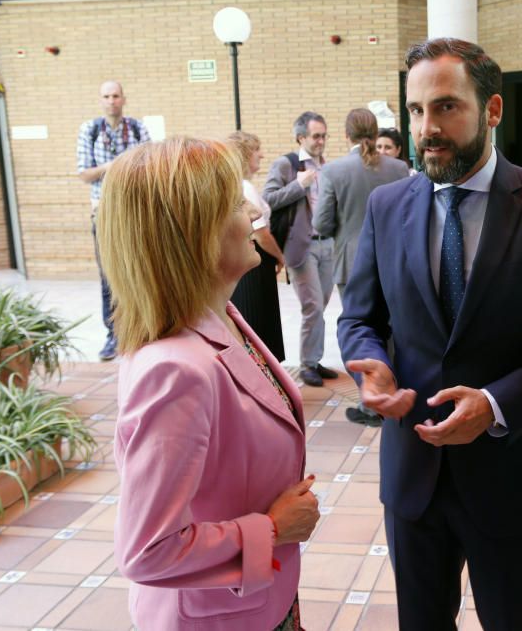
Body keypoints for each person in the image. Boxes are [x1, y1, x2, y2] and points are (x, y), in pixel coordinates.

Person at [338, 38, 522, 631]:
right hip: (413, 474)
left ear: (492, 110)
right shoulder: (388, 207)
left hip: (510, 475)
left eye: (445, 107)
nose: (427, 129)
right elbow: (360, 318)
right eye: (416, 111)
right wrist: (369, 364)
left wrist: (496, 404)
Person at [98, 137, 320, 630]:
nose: (252, 210)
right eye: (236, 204)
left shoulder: (223, 317)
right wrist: (273, 529)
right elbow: (147, 551)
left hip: (257, 601)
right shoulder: (174, 369)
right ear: (194, 232)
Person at [313, 109, 409, 427]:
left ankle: (372, 405)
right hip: (396, 259)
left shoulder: (334, 171)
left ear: (346, 135)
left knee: (362, 329)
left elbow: (322, 223)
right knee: (394, 329)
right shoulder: (398, 167)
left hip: (352, 261)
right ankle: (395, 392)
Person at [262, 112, 339, 386]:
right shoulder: (286, 165)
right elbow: (267, 199)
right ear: (301, 138)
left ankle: (315, 360)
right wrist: (299, 185)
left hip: (327, 243)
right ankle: (307, 364)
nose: (321, 141)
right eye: (316, 136)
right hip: (301, 247)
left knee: (322, 303)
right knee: (313, 305)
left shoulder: (326, 165)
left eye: (324, 135)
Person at [76, 80, 150, 361]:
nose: (111, 101)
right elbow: (84, 173)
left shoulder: (138, 128)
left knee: (139, 269)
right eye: (106, 96)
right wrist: (118, 165)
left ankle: (142, 328)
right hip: (104, 214)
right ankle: (113, 335)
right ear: (100, 100)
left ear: (124, 99)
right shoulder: (90, 129)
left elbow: (150, 166)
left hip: (135, 213)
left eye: (116, 95)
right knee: (108, 275)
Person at [227, 131, 286, 361]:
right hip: (256, 266)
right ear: (244, 155)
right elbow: (261, 234)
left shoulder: (236, 184)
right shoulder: (246, 187)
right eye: (256, 149)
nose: (261, 154)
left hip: (246, 264)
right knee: (260, 325)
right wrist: (281, 257)